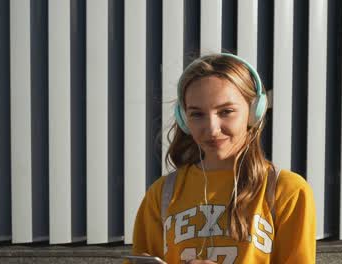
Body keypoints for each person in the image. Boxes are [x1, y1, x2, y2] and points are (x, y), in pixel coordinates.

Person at [130, 53, 316, 263]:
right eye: (197, 114)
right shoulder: (161, 194)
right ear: (184, 120)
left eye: (226, 111)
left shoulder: (287, 191)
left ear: (254, 111)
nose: (212, 129)